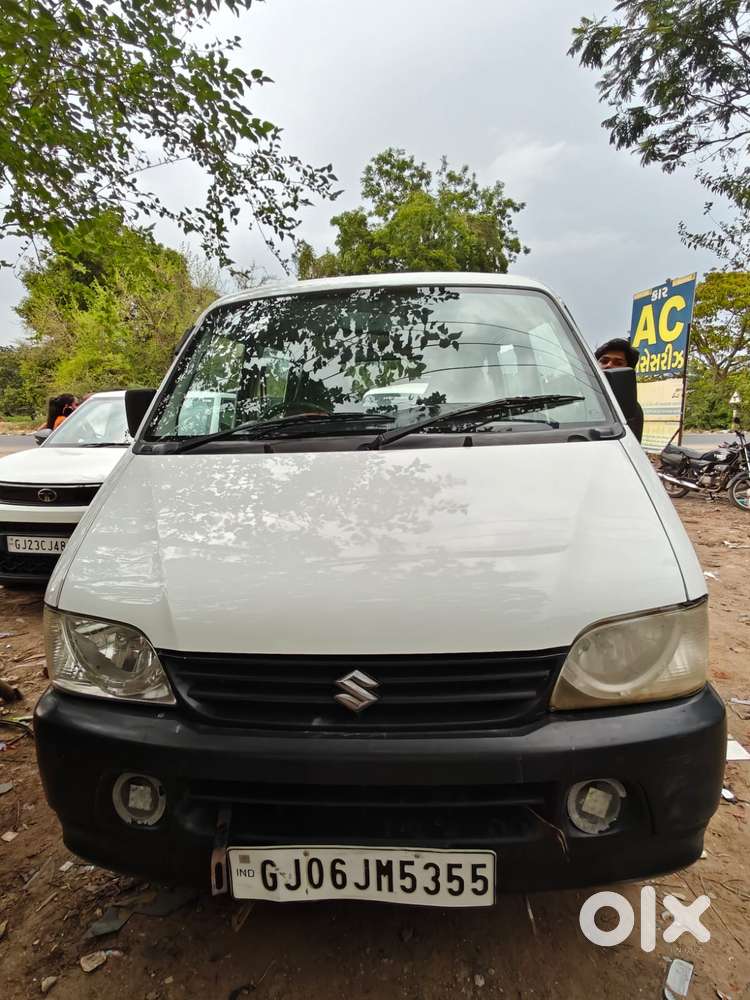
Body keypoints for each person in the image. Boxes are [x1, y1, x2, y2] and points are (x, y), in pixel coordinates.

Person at [594, 338, 644, 443]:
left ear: (628, 370)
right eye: (604, 361)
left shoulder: (630, 408)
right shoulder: (578, 397)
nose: (609, 365)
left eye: (618, 363)